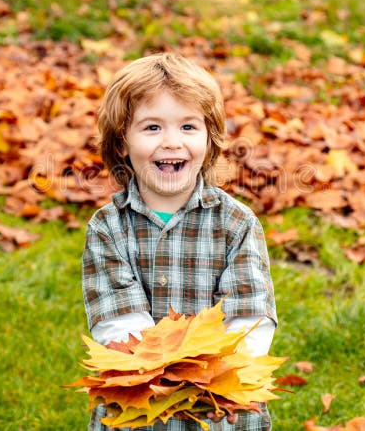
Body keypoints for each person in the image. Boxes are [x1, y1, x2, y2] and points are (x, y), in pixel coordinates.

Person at [82, 52, 278, 430]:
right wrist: (163, 378)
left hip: (218, 406)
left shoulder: (237, 225)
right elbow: (117, 321)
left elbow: (249, 318)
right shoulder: (107, 229)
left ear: (209, 138)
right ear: (122, 142)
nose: (172, 142)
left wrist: (215, 379)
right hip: (138, 404)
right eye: (152, 127)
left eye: (188, 127)